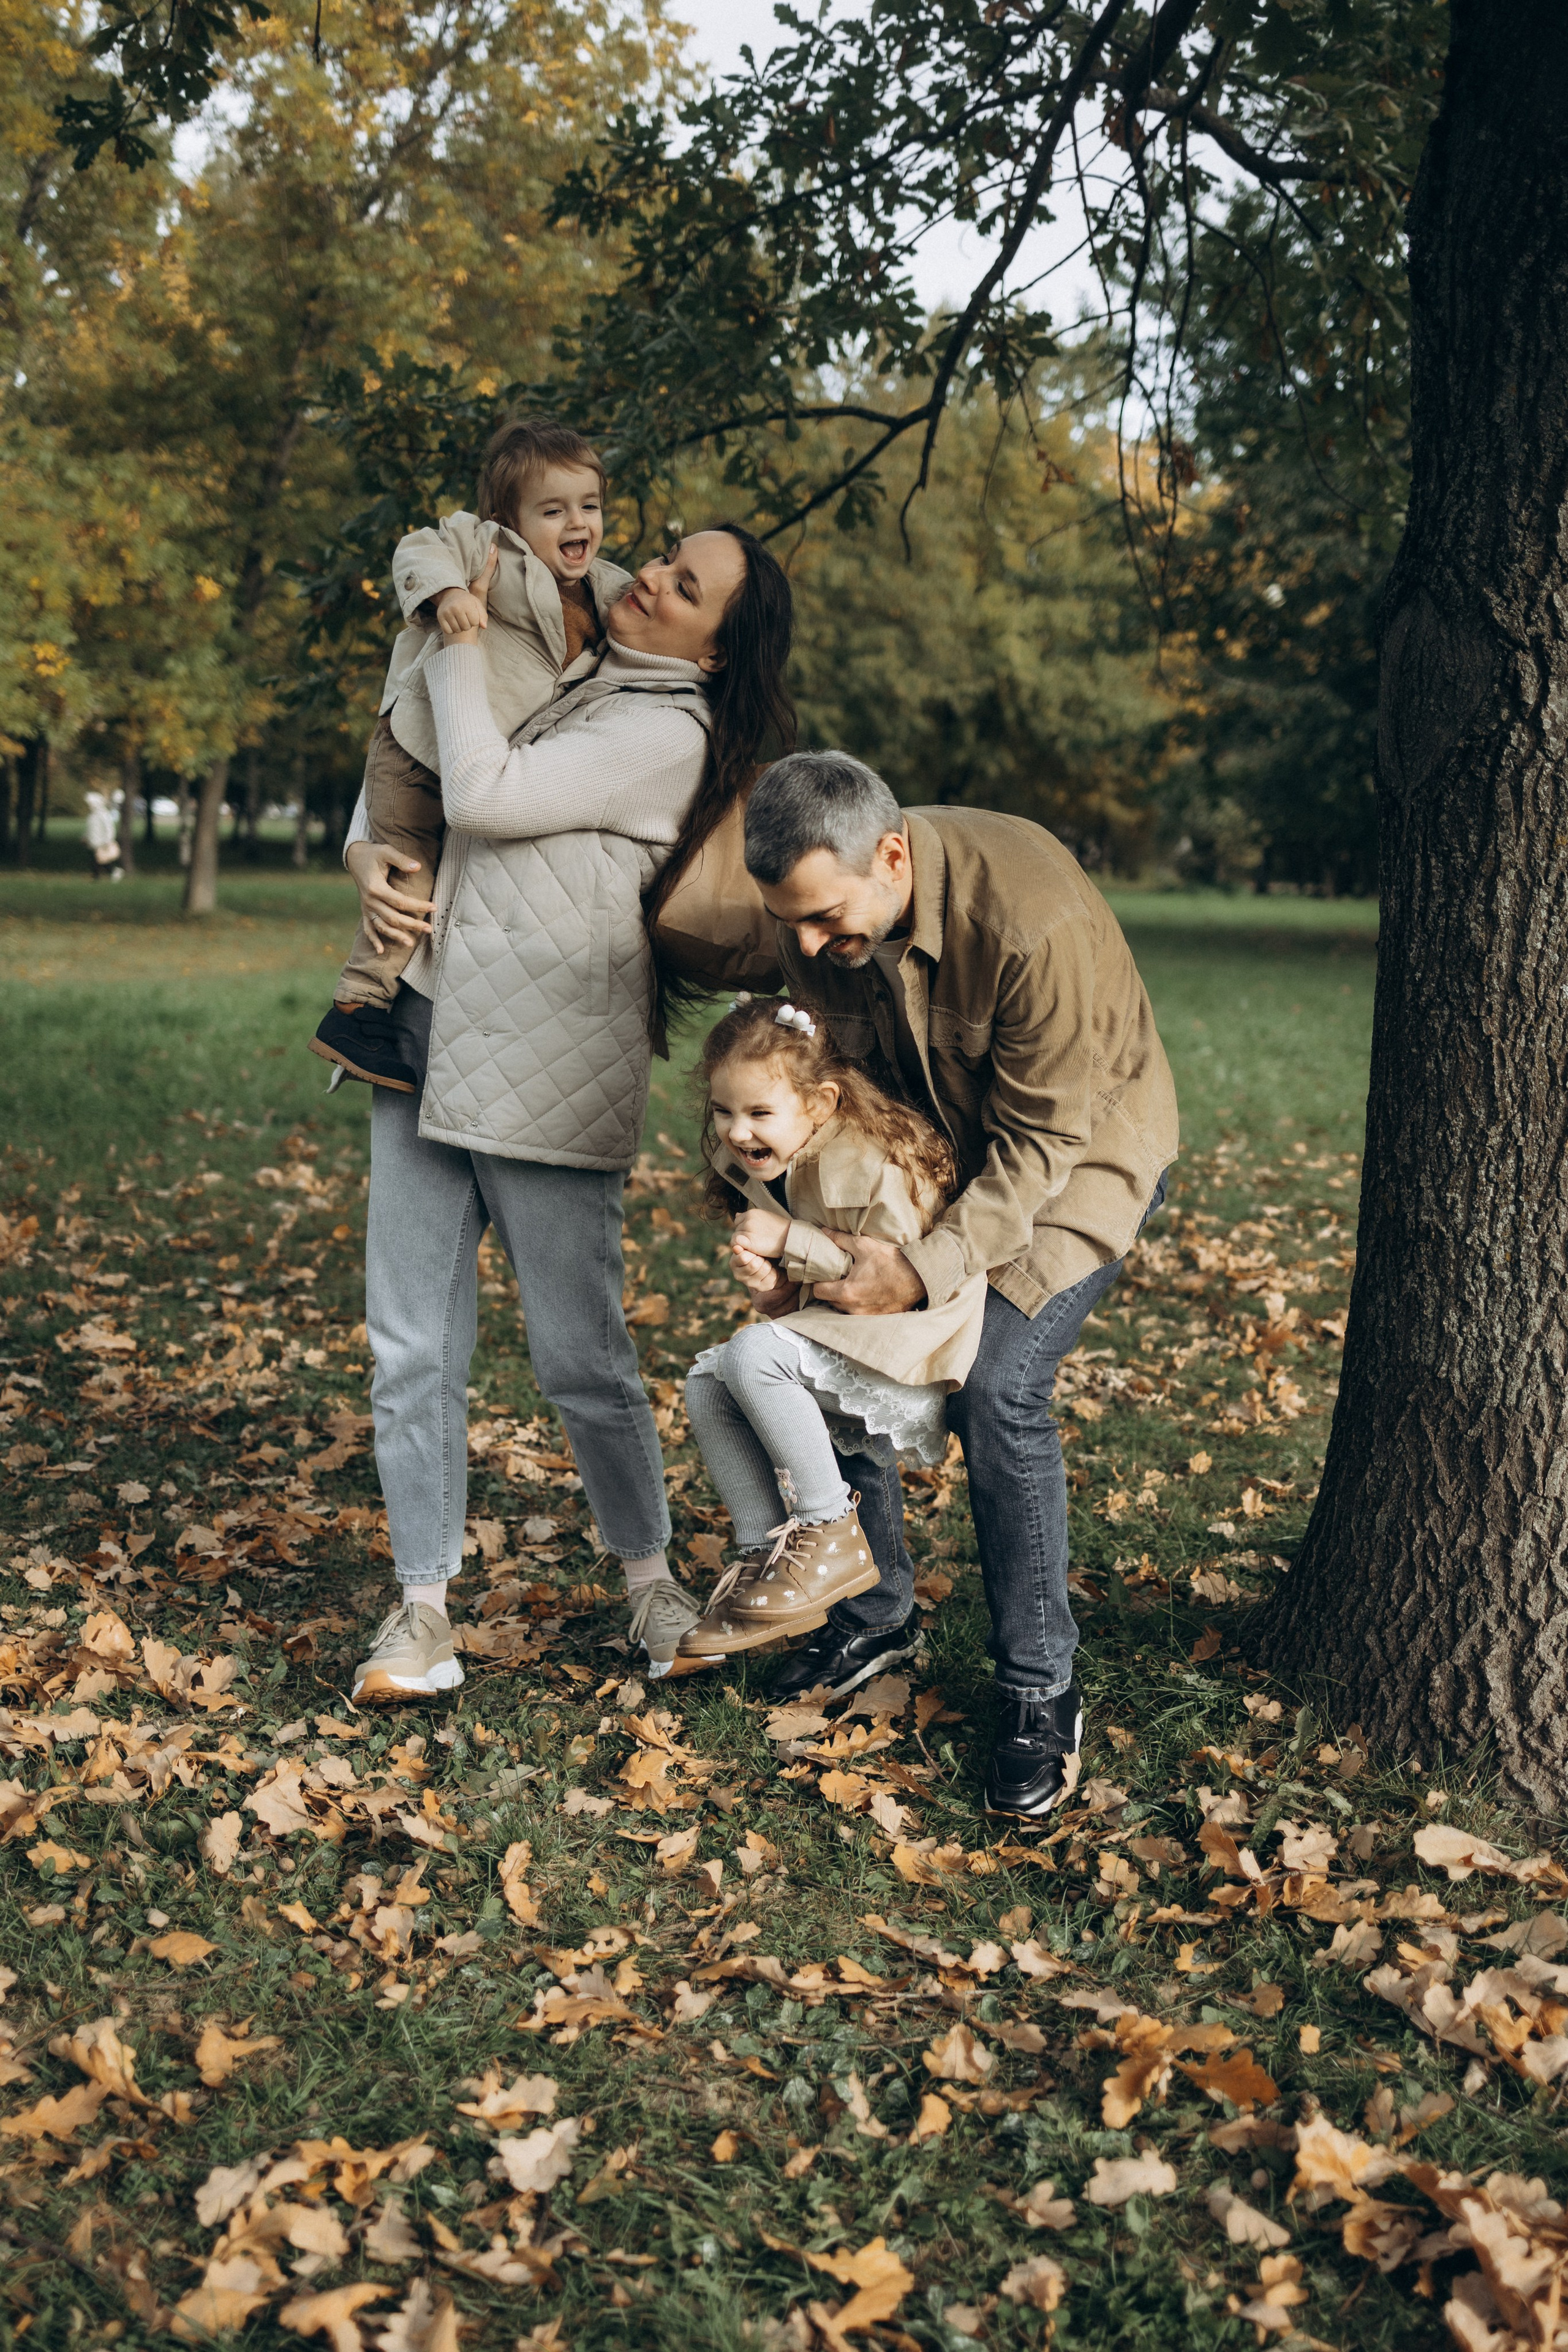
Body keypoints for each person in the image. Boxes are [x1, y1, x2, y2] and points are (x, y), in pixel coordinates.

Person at [344, 522, 795, 1702]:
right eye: (663, 557)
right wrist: (364, 857)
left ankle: (650, 1585)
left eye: (685, 586)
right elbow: (420, 767)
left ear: (710, 654)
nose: (651, 575)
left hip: (549, 1061)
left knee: (579, 1354)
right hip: (425, 1031)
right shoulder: (572, 655)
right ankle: (422, 1610)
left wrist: (460, 625)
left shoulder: (665, 732)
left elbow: (485, 795)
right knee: (409, 1344)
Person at [735, 750, 1178, 1820]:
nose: (803, 950)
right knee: (818, 1342)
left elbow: (1037, 1150)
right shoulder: (831, 912)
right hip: (928, 1158)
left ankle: (1040, 1690)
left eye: (824, 920)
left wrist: (921, 1272)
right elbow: (830, 1093)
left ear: (892, 857)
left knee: (998, 1387)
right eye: (788, 923)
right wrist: (792, 1246)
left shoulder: (1031, 920)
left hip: (1074, 1164)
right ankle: (878, 1611)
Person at [309, 417, 630, 1091]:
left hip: (474, 762)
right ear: (506, 517)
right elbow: (416, 550)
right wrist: (449, 593)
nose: (578, 523)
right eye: (553, 510)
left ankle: (385, 1010)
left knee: (431, 878)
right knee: (409, 883)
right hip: (416, 746)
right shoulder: (483, 545)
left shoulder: (604, 589)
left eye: (590, 506)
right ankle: (356, 1009)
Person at [675, 993, 989, 1663]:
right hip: (850, 1336)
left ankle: (826, 1532)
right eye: (724, 1112)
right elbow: (806, 1309)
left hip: (919, 1343)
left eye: (758, 1113)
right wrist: (776, 1291)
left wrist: (794, 1238)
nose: (736, 1131)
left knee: (753, 1356)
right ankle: (767, 1556)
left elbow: (897, 1282)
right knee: (709, 1383)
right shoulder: (764, 1162)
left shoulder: (875, 1163)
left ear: (818, 1104)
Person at [84, 790, 123, 881]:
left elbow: (109, 829)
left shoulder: (104, 814)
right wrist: (85, 837)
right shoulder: (92, 815)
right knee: (99, 860)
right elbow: (90, 828)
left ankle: (99, 876)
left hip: (101, 842)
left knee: (99, 860)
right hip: (94, 842)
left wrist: (108, 841)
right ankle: (107, 873)